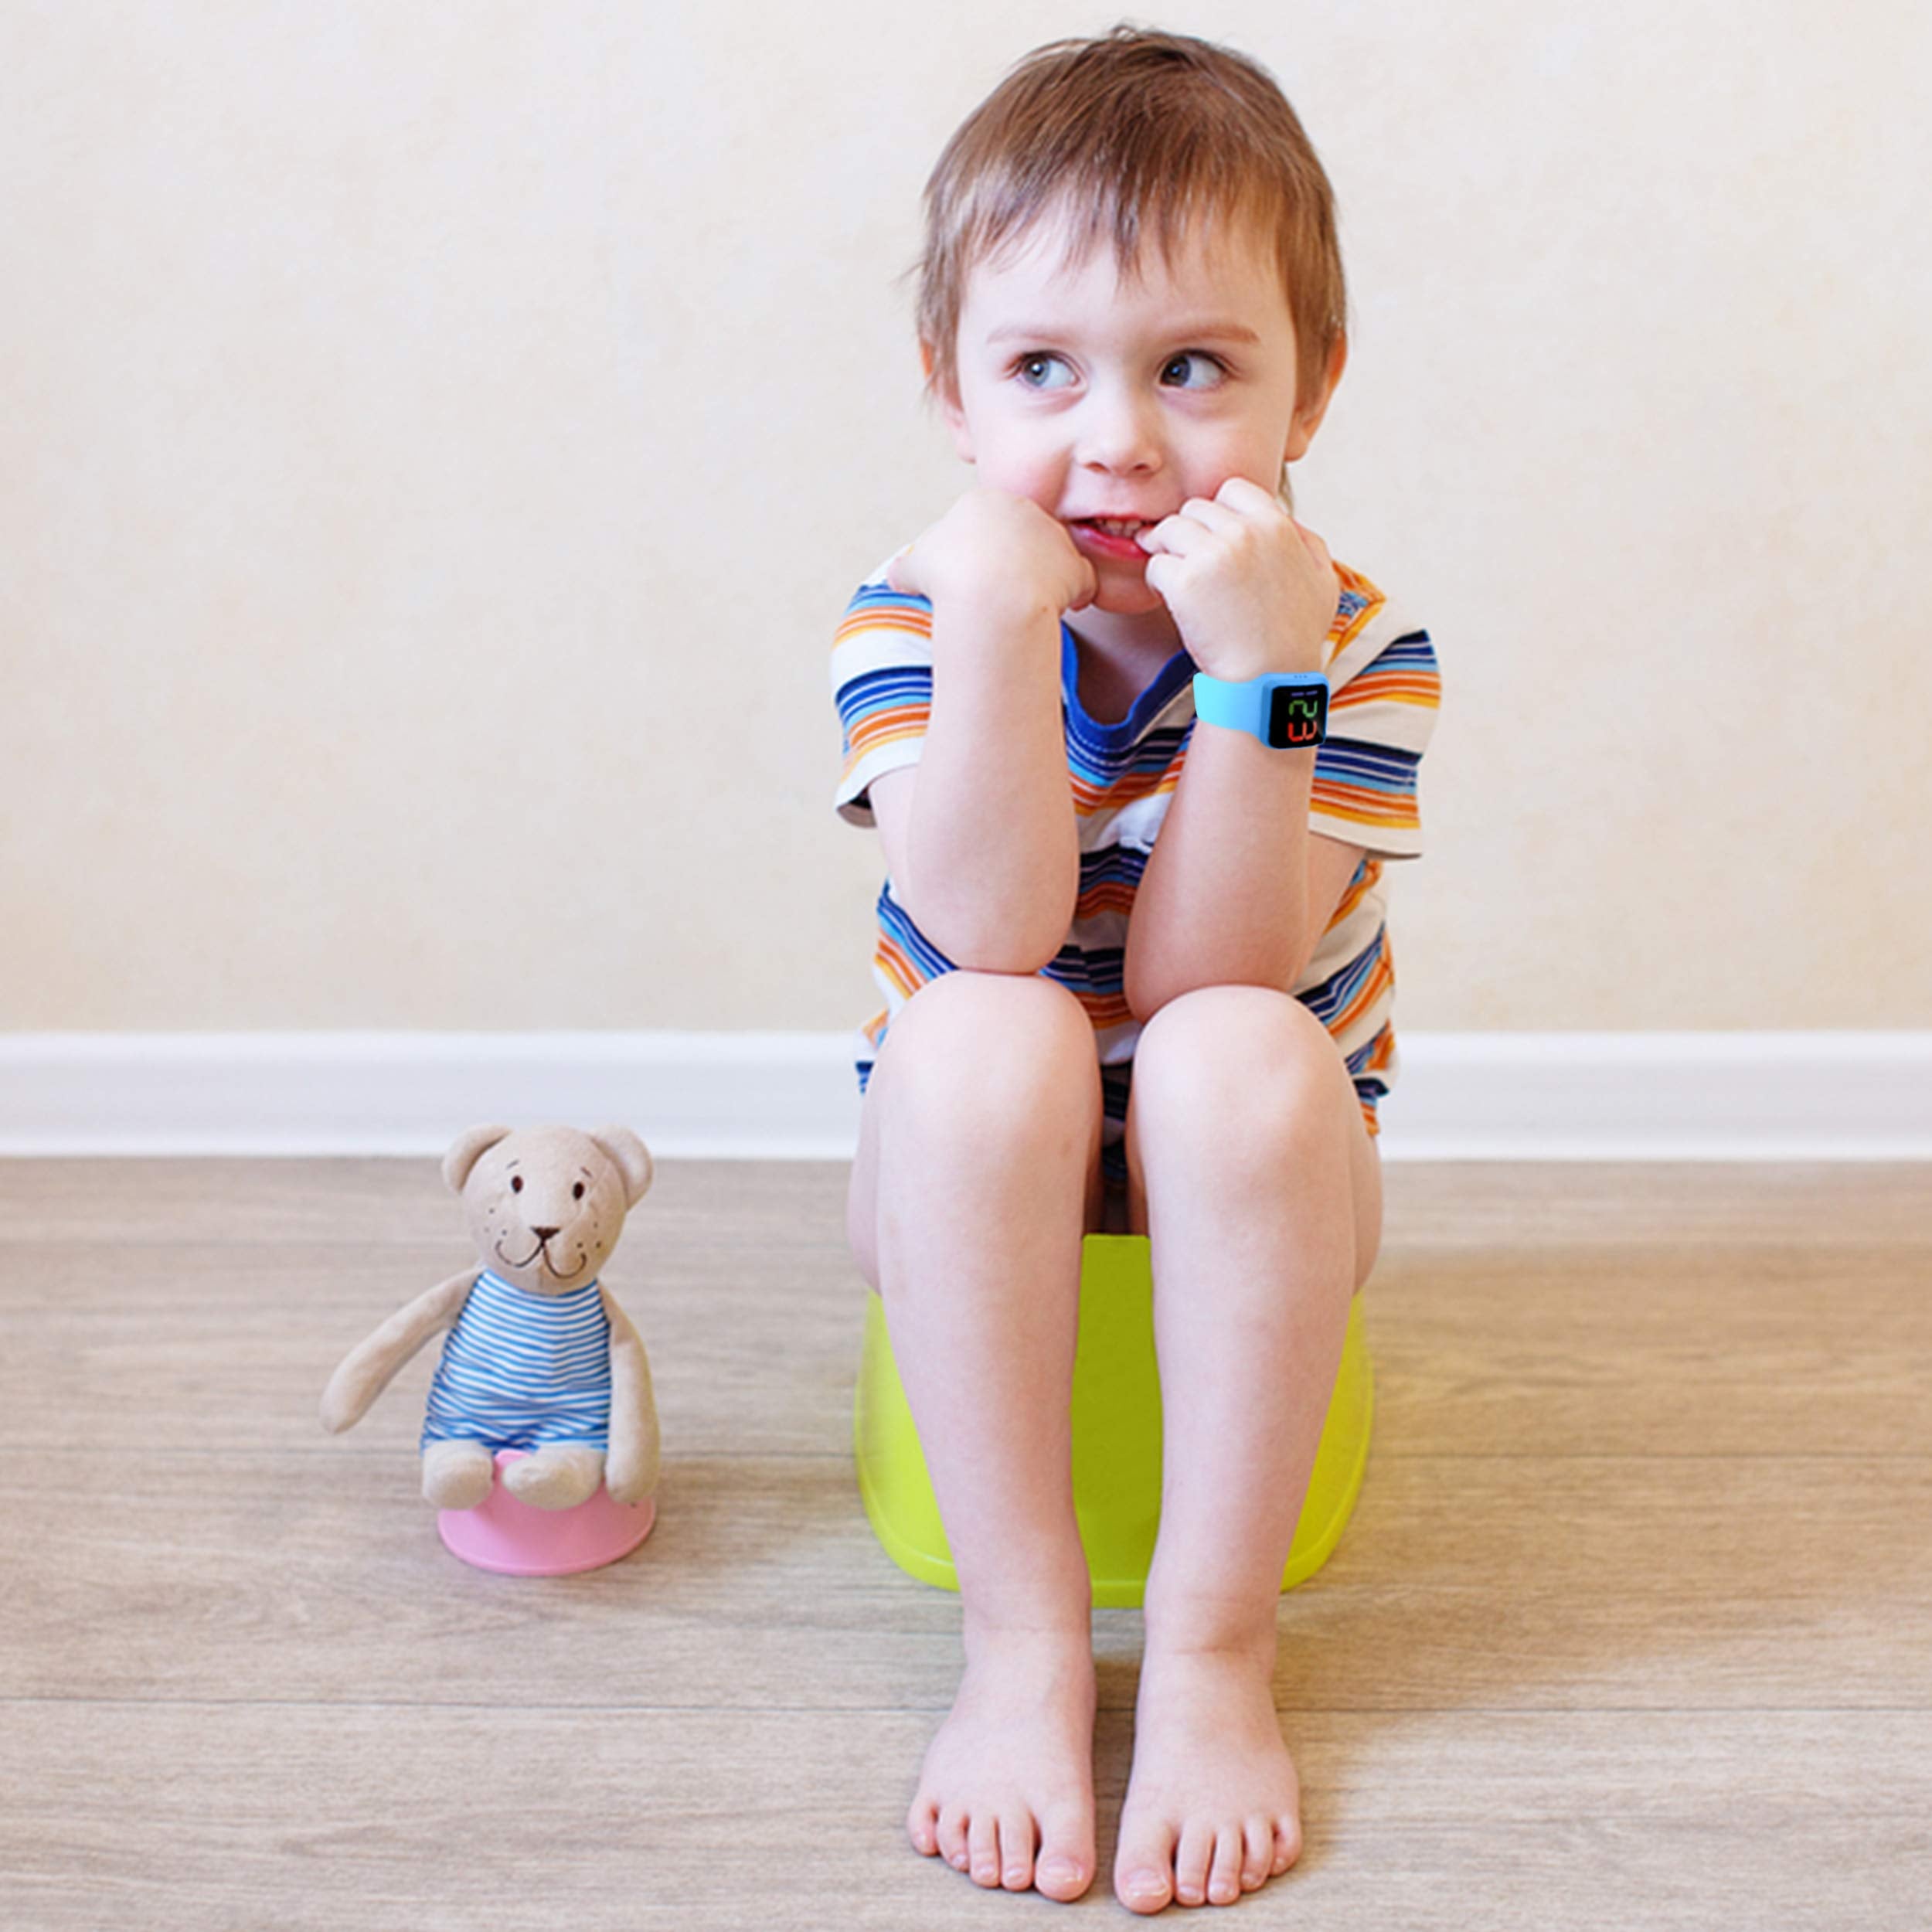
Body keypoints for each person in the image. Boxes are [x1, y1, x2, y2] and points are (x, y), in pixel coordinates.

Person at [829, 24, 1440, 1913]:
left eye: (1191, 366)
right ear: (949, 388)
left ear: (1307, 384)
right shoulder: (914, 608)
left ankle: (1209, 1646)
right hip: (961, 1164)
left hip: (1251, 1155)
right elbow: (989, 934)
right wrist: (997, 641)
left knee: (1239, 1052)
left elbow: (1209, 977)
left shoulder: (1349, 634)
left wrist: (1256, 675)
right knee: (980, 1034)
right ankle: (1019, 1638)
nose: (1114, 438)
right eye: (1041, 370)